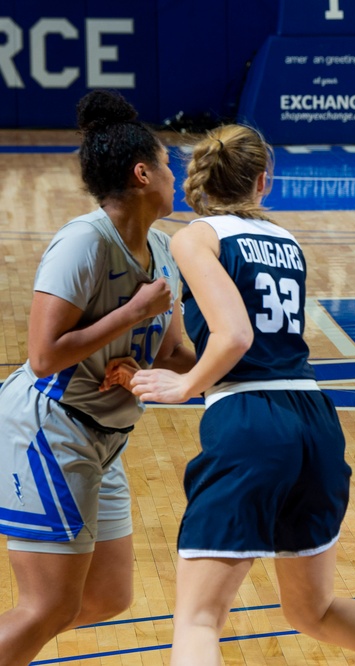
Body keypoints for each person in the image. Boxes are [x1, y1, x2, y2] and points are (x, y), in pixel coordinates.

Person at [128, 124, 355, 666]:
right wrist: (173, 365)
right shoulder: (288, 242)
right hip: (313, 421)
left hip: (250, 421)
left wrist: (186, 385)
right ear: (264, 181)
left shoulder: (195, 237)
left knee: (198, 620)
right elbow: (247, 347)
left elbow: (234, 337)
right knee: (314, 610)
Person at [0, 90, 194, 666]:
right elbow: (42, 356)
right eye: (166, 164)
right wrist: (131, 314)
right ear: (142, 174)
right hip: (48, 428)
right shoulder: (82, 242)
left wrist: (240, 352)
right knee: (47, 607)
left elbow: (178, 353)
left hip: (106, 437)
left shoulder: (162, 248)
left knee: (109, 595)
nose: (173, 174)